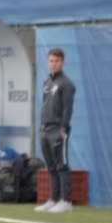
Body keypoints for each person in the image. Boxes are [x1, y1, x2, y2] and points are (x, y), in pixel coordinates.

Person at [34, 48, 77, 214]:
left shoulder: (66, 84)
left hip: (57, 130)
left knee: (62, 165)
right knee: (51, 166)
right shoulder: (47, 82)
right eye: (51, 61)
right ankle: (53, 199)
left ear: (63, 63)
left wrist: (64, 127)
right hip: (44, 129)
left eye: (57, 61)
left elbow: (68, 108)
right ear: (48, 62)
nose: (54, 64)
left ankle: (66, 201)